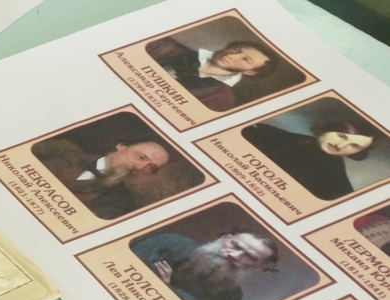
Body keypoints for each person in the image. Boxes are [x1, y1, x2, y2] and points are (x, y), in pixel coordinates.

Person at [131, 230, 278, 300]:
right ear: (225, 237)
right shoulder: (170, 243)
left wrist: (168, 289)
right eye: (235, 245)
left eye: (250, 257)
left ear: (259, 267)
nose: (234, 255)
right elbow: (129, 264)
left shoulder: (231, 295)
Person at [242, 116, 378, 201]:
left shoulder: (337, 185)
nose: (340, 145)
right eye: (341, 136)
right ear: (327, 129)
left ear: (358, 152)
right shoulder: (268, 135)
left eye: (354, 146)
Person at [32, 138, 170, 219]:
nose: (140, 167)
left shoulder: (120, 204)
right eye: (141, 157)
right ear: (121, 147)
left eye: (151, 167)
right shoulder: (62, 150)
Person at [146, 36, 283, 110]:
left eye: (245, 59)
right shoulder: (166, 47)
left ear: (250, 71)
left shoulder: (220, 99)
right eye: (236, 50)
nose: (231, 55)